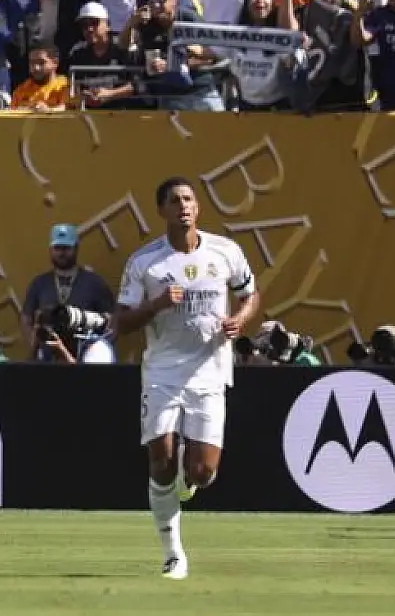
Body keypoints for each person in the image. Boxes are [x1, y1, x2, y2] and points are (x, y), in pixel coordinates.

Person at [114, 177, 260, 580]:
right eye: (175, 200)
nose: (184, 206)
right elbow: (122, 322)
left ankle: (188, 480)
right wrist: (157, 304)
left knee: (202, 473)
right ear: (161, 210)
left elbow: (250, 294)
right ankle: (173, 553)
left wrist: (239, 321)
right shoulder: (145, 262)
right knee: (158, 459)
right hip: (162, 371)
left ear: (198, 208)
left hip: (210, 371)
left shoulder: (225, 251)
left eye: (189, 199)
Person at [21, 223, 116, 360]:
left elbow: (111, 322)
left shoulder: (95, 283)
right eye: (57, 248)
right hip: (48, 361)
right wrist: (35, 345)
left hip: (83, 358)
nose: (61, 253)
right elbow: (26, 318)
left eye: (66, 248)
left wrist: (97, 349)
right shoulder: (40, 283)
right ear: (50, 249)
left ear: (76, 248)